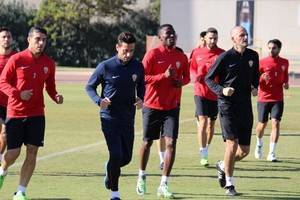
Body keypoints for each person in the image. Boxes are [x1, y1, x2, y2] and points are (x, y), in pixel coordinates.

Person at [0, 26, 63, 200]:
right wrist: (18, 94)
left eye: (44, 40)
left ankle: (21, 191)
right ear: (29, 40)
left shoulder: (49, 63)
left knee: (32, 151)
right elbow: (2, 82)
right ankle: (2, 171)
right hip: (16, 113)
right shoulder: (16, 59)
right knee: (13, 154)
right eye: (37, 39)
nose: (41, 43)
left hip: (37, 114)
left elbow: (50, 87)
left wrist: (55, 96)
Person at [86, 32, 145, 200]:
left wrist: (141, 98)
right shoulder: (105, 66)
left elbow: (141, 85)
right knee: (116, 154)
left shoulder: (137, 66)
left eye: (131, 50)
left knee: (126, 158)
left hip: (128, 118)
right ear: (117, 47)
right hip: (109, 117)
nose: (128, 54)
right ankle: (114, 193)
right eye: (125, 50)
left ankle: (109, 169)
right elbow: (89, 87)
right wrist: (99, 100)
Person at [136, 24, 190, 198]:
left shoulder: (181, 56)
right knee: (147, 143)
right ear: (160, 37)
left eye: (173, 33)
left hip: (172, 107)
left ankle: (164, 183)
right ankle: (141, 176)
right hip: (152, 106)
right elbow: (142, 78)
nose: (171, 36)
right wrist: (162, 76)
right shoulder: (152, 55)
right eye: (167, 34)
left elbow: (187, 76)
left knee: (171, 144)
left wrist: (180, 82)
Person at [205, 26, 259, 196]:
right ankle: (229, 184)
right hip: (227, 105)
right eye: (241, 35)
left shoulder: (253, 56)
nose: (245, 37)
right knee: (232, 144)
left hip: (245, 106)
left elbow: (255, 74)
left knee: (244, 151)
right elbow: (208, 79)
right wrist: (222, 90)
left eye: (246, 34)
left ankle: (222, 165)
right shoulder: (225, 57)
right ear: (233, 39)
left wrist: (254, 86)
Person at [190, 27, 225, 167]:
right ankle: (203, 154)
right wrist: (195, 76)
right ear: (205, 38)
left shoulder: (222, 54)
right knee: (203, 122)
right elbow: (191, 68)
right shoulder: (197, 52)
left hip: (215, 94)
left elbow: (225, 72)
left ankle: (206, 147)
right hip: (200, 92)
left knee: (211, 125)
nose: (212, 40)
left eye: (215, 38)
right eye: (210, 38)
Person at [254, 39, 289, 162]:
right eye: (269, 48)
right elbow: (254, 79)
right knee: (261, 125)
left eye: (273, 48)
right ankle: (259, 144)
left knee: (276, 123)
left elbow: (285, 77)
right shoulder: (261, 62)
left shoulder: (285, 62)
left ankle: (271, 153)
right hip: (263, 98)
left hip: (278, 98)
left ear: (279, 49)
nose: (271, 50)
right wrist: (261, 78)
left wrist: (286, 84)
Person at [0, 27, 17, 163]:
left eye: (8, 37)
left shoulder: (17, 57)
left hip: (11, 103)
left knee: (4, 135)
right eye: (3, 37)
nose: (6, 39)